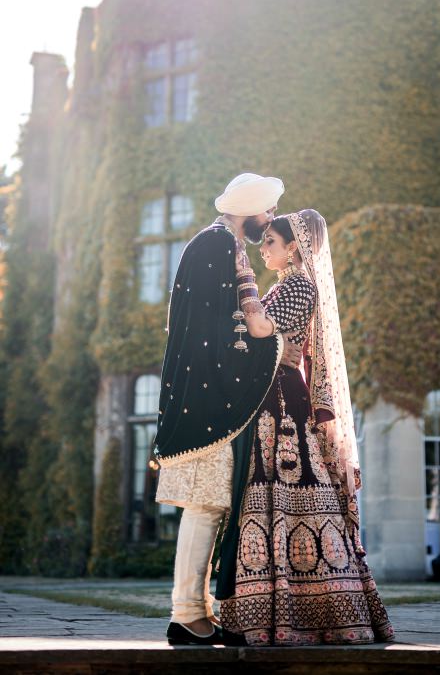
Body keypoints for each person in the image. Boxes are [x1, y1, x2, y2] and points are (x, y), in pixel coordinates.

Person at [216, 210, 394, 646]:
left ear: (293, 246)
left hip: (280, 404)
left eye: (271, 242)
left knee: (282, 495)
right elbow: (270, 343)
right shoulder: (285, 285)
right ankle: (266, 608)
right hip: (268, 394)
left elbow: (260, 331)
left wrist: (242, 284)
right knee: (265, 497)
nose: (265, 248)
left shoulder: (299, 285)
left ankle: (307, 611)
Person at [155, 173, 302, 645]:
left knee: (211, 505)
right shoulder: (217, 246)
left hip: (206, 397)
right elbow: (219, 335)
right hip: (205, 401)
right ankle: (185, 615)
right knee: (203, 505)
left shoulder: (222, 244)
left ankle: (196, 613)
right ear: (254, 210)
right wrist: (279, 347)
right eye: (270, 212)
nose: (272, 221)